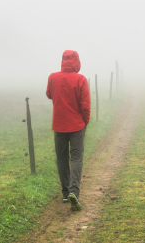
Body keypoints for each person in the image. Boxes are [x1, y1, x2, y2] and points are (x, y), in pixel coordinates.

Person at [45, 50, 90, 211]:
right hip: (77, 125)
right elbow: (85, 104)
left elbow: (49, 94)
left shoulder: (52, 77)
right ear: (76, 61)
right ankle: (74, 192)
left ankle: (65, 193)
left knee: (62, 159)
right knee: (76, 157)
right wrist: (85, 121)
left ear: (63, 61)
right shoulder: (81, 79)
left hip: (59, 125)